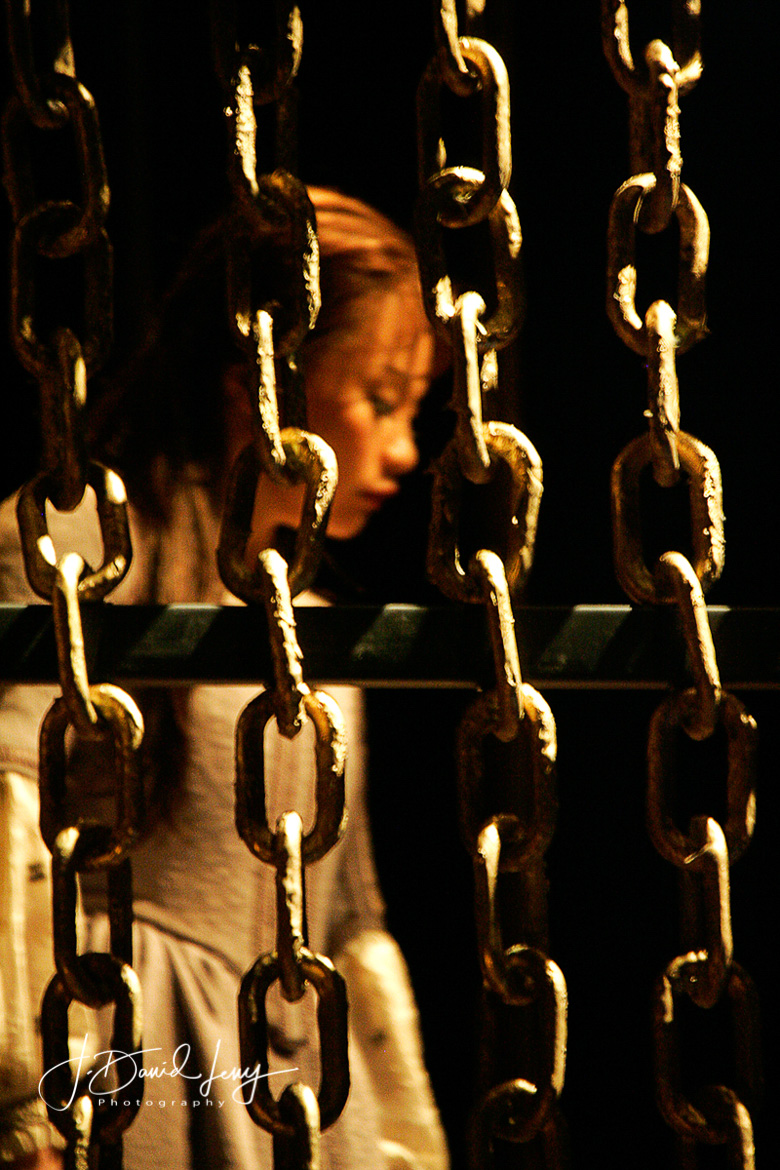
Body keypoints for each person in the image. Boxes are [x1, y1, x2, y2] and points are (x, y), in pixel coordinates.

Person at [0, 188, 449, 1169]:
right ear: (262, 388)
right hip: (130, 1066)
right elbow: (10, 805)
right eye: (380, 401)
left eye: (411, 410)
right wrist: (24, 1101)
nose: (405, 450)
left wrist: (401, 1143)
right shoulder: (85, 555)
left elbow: (348, 918)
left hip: (292, 1092)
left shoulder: (315, 637)